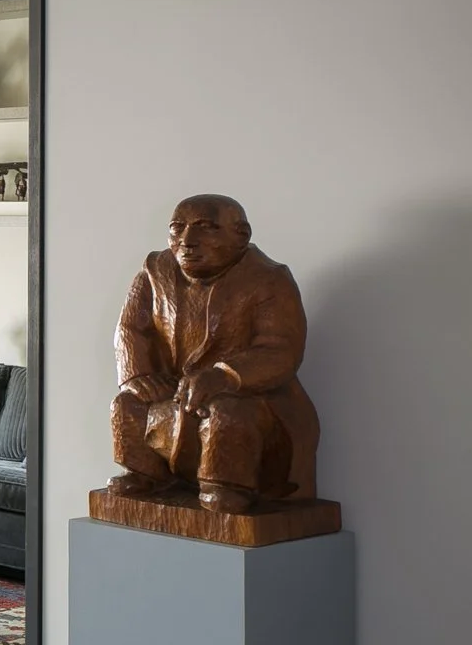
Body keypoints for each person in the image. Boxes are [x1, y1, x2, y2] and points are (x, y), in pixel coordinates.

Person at [109, 195, 319, 515]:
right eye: (177, 228)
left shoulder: (269, 279)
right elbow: (130, 328)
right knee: (127, 402)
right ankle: (146, 473)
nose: (187, 241)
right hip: (177, 389)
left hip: (249, 396)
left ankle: (225, 484)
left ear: (241, 235)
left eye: (206, 228)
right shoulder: (155, 271)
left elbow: (281, 351)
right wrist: (137, 375)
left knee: (226, 412)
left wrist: (223, 376)